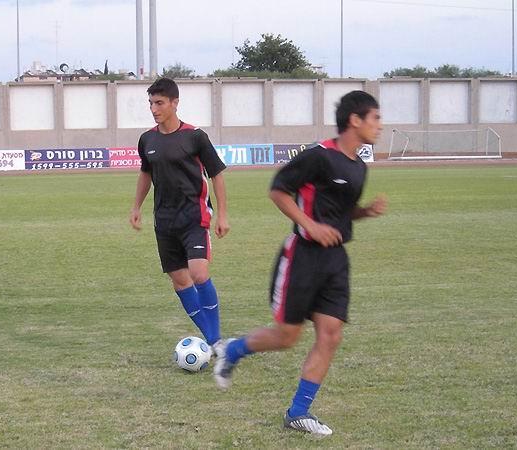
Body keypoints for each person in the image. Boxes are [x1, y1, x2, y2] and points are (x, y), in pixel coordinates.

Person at [214, 90, 387, 437]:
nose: (380, 126)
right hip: (303, 256)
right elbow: (278, 190)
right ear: (355, 120)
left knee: (331, 335)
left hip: (336, 260)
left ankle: (298, 412)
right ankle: (233, 350)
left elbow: (341, 211)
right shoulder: (319, 156)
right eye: (376, 118)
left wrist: (364, 212)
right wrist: (310, 225)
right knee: (287, 337)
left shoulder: (358, 166)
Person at [130, 77, 229, 353]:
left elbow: (217, 174)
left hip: (194, 217)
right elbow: (145, 174)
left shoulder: (195, 137)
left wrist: (222, 214)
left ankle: (216, 339)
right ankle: (212, 341)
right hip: (164, 221)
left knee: (198, 273)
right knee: (180, 281)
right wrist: (136, 207)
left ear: (175, 103)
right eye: (151, 103)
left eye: (159, 103)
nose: (154, 109)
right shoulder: (147, 139)